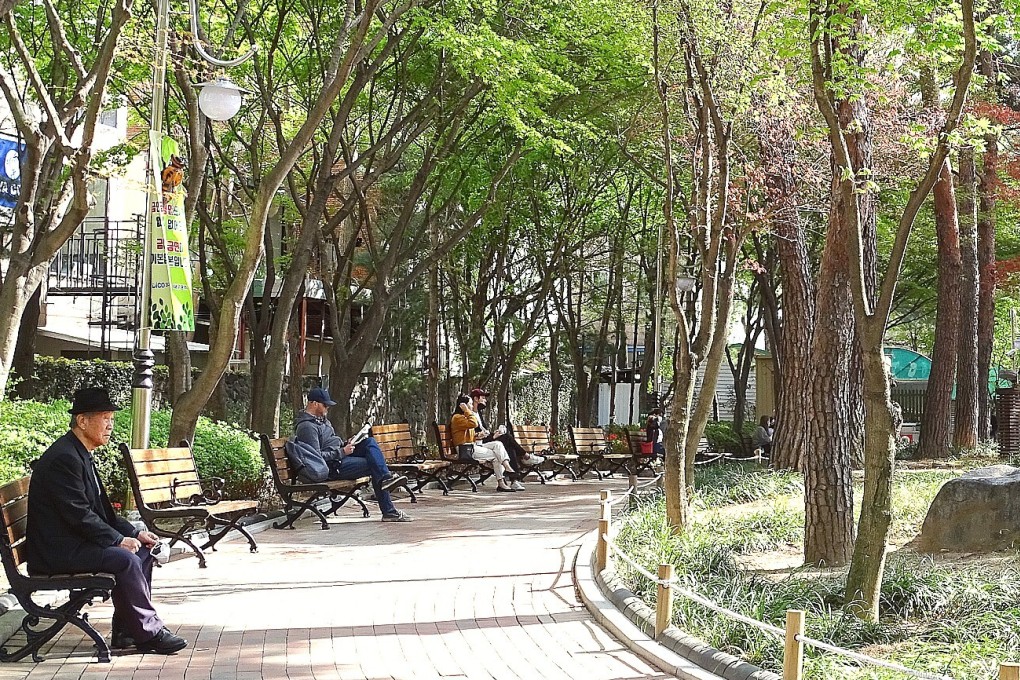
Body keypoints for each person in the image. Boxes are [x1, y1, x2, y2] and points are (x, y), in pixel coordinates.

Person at [26, 388, 188, 654]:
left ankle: (127, 631)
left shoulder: (79, 453)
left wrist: (134, 534)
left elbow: (103, 511)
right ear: (82, 421)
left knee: (143, 551)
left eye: (111, 418)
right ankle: (150, 632)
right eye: (105, 418)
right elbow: (79, 514)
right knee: (125, 559)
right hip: (57, 552)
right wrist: (118, 541)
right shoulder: (64, 458)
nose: (110, 425)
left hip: (74, 543)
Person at [293, 387, 413, 522]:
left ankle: (386, 479)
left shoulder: (323, 421)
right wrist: (342, 452)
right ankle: (389, 510)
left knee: (369, 442)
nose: (328, 408)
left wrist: (347, 443)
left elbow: (331, 443)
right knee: (373, 464)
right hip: (331, 467)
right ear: (314, 404)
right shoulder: (307, 427)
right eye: (325, 405)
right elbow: (316, 458)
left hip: (340, 457)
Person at [470, 388, 543, 488]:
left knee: (508, 445)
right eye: (483, 398)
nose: (485, 400)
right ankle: (525, 459)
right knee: (507, 439)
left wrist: (494, 434)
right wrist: (493, 437)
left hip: (485, 441)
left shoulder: (478, 413)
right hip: (478, 444)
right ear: (476, 399)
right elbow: (475, 435)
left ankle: (514, 480)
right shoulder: (469, 415)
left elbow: (484, 431)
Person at [450, 395, 518, 492]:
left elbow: (466, 434)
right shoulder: (457, 417)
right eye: (470, 404)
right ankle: (501, 482)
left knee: (497, 444)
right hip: (465, 449)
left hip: (471, 446)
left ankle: (507, 467)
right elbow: (474, 423)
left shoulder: (464, 417)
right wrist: (467, 411)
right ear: (463, 405)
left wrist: (478, 435)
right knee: (496, 455)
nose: (472, 406)